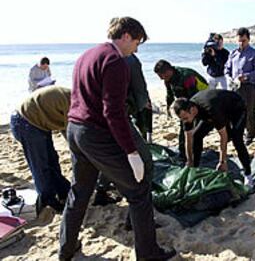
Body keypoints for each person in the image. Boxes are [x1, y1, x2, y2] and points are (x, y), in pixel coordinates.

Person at [59, 17, 176, 261]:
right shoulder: (115, 61)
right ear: (125, 36)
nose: (136, 49)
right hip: (96, 133)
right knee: (138, 191)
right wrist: (131, 152)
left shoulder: (87, 55)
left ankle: (66, 250)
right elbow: (113, 112)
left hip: (74, 129)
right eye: (136, 43)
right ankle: (148, 254)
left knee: (79, 192)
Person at [172, 89, 255, 188]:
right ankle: (195, 169)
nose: (185, 121)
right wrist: (190, 161)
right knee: (197, 135)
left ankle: (248, 175)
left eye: (185, 118)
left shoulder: (210, 108)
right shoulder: (186, 114)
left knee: (236, 139)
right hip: (218, 109)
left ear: (192, 110)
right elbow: (188, 138)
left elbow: (223, 136)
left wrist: (222, 161)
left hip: (236, 107)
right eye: (182, 119)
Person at [10, 85, 71, 213]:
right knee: (41, 164)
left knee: (52, 159)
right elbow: (71, 135)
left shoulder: (73, 99)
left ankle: (63, 190)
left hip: (39, 120)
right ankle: (48, 199)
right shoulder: (74, 105)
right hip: (25, 121)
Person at [154, 59, 208, 158]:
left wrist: (188, 114)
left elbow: (194, 98)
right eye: (160, 77)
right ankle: (183, 153)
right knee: (184, 127)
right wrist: (168, 106)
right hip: (186, 102)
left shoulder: (186, 76)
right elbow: (170, 94)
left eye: (162, 76)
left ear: (168, 71)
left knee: (195, 129)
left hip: (201, 99)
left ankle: (193, 154)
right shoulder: (168, 79)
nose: (162, 79)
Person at [225, 27, 255, 145]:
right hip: (234, 86)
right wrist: (228, 77)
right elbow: (227, 68)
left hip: (248, 87)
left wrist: (246, 76)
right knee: (233, 111)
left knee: (249, 111)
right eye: (239, 40)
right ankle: (235, 133)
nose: (241, 43)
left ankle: (250, 135)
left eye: (244, 41)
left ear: (248, 40)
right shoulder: (233, 53)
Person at [126, 54, 153, 143]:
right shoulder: (131, 60)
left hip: (132, 97)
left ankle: (147, 138)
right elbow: (139, 83)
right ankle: (145, 139)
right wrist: (144, 100)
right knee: (139, 119)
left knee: (143, 118)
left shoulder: (130, 59)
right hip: (131, 98)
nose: (137, 50)